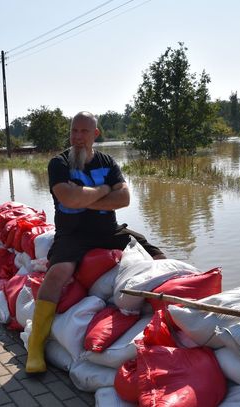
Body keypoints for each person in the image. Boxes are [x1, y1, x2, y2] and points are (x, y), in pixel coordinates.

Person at [25, 111, 165, 373]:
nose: (77, 137)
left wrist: (84, 197)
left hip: (108, 231)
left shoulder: (107, 161)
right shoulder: (59, 163)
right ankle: (35, 345)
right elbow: (68, 199)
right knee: (57, 274)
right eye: (74, 131)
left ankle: (168, 317)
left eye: (84, 132)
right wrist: (103, 190)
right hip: (72, 234)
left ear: (95, 134)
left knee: (156, 255)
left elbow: (123, 199)